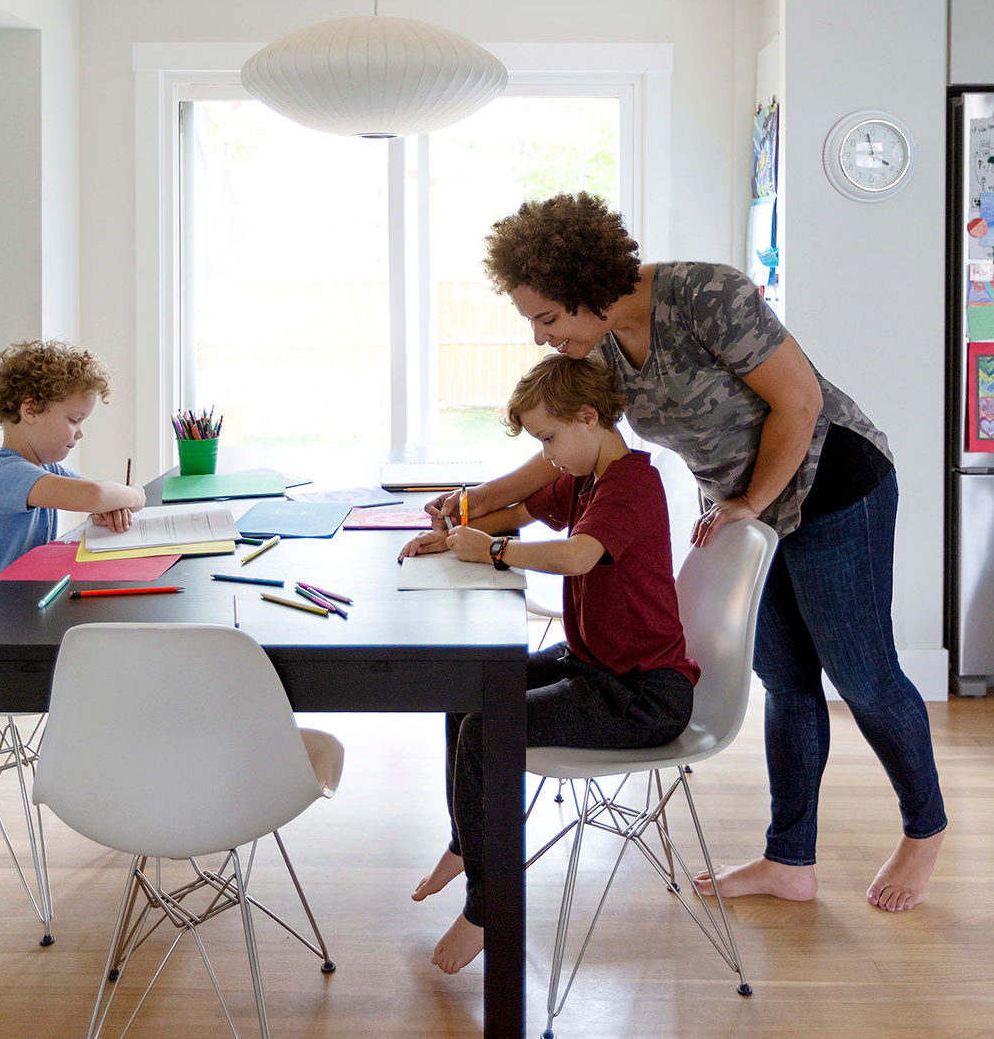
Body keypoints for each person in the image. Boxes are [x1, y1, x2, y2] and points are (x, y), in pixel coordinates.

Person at [430, 192, 946, 915]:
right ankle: (790, 860)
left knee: (862, 675)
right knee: (786, 681)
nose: (542, 336)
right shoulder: (598, 347)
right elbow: (563, 452)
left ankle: (924, 828)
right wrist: (470, 502)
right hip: (747, 505)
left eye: (545, 318)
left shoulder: (707, 296)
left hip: (834, 485)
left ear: (584, 287)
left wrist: (750, 503)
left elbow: (799, 402)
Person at [400, 352, 697, 974]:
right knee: (467, 688)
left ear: (588, 417)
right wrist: (454, 533)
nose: (547, 455)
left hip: (642, 694)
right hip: (594, 664)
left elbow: (578, 555)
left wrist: (494, 552)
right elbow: (520, 512)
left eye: (549, 438)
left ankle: (487, 907)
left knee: (485, 731)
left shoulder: (630, 484)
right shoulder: (585, 476)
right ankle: (466, 842)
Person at [0, 340, 146, 575]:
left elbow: (94, 494)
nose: (80, 432)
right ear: (30, 411)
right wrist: (135, 494)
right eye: (74, 420)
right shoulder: (5, 473)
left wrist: (111, 507)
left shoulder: (45, 468)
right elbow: (94, 494)